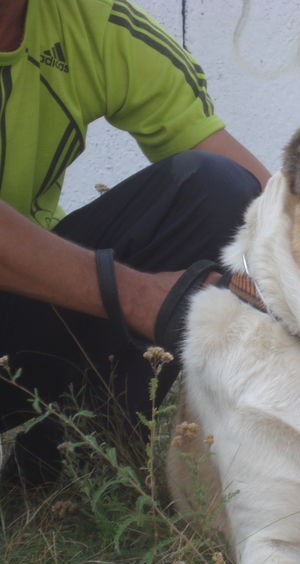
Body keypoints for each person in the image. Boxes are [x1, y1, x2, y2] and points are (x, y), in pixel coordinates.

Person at [0, 0, 270, 485]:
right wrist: (135, 293)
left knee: (218, 191)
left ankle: (68, 466)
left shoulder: (91, 20)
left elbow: (257, 199)